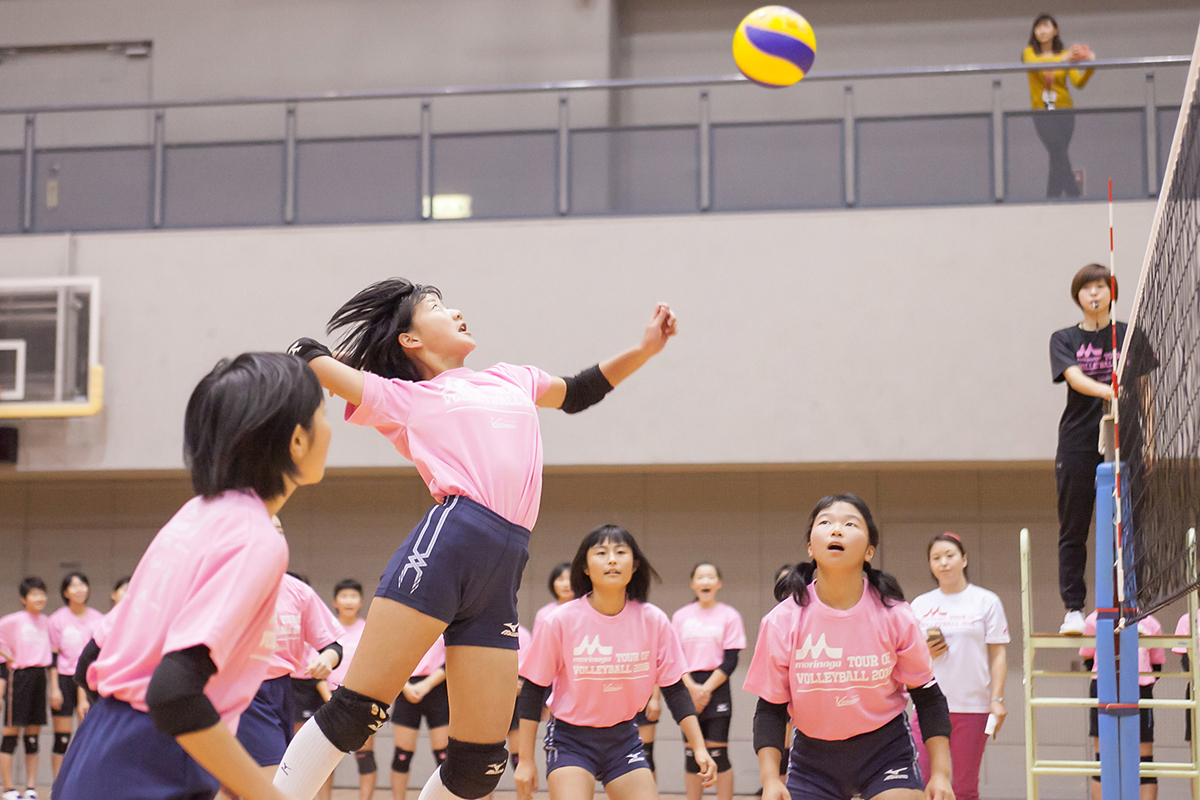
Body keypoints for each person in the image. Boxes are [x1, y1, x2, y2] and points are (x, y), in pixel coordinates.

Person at [276, 279, 678, 800]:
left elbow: (578, 391)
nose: (458, 311)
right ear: (410, 341)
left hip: (505, 562)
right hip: (450, 541)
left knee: (481, 765)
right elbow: (308, 357)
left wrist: (646, 349)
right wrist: (355, 353)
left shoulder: (512, 378)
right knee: (357, 711)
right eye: (437, 308)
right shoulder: (407, 396)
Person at [51, 351, 331, 800]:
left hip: (94, 753)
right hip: (148, 765)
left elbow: (92, 658)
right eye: (323, 414)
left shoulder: (194, 516)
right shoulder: (256, 537)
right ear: (297, 440)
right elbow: (173, 692)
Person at [744, 494, 953, 800]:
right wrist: (771, 778)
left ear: (869, 551)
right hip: (812, 760)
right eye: (825, 522)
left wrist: (941, 774)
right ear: (810, 547)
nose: (837, 530)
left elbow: (928, 696)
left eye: (850, 524)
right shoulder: (782, 620)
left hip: (885, 752)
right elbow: (770, 710)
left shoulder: (895, 615)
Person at [513, 524, 717, 800]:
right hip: (570, 740)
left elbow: (675, 689)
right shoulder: (560, 620)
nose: (611, 559)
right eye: (601, 553)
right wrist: (525, 761)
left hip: (624, 740)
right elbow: (533, 689)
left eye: (621, 552)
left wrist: (699, 747)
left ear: (634, 566)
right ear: (585, 567)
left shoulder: (653, 620)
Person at [225, 565, 345, 798]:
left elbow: (332, 645)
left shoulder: (298, 591)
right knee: (274, 778)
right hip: (245, 689)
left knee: (240, 782)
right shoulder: (229, 584)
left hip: (283, 689)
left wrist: (326, 659)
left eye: (279, 530)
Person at [1050, 264, 1123, 635]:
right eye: (1086, 289)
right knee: (1074, 527)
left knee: (1126, 524)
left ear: (1112, 292)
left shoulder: (1127, 334)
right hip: (1078, 441)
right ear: (1077, 296)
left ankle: (1127, 602)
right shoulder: (1063, 339)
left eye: (1101, 287)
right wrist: (1109, 390)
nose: (1094, 294)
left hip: (1124, 439)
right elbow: (1076, 379)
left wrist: (1151, 440)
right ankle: (1074, 610)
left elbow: (1145, 389)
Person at [909, 533, 1009, 800]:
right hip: (928, 706)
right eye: (936, 558)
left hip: (972, 707)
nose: (943, 563)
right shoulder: (920, 604)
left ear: (964, 559)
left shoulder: (986, 601)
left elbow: (998, 653)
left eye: (949, 555)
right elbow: (907, 657)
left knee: (963, 787)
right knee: (923, 783)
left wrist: (997, 699)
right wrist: (925, 651)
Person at [672, 563, 746, 800]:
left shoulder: (729, 615)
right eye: (700, 577)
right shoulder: (681, 616)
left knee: (717, 753)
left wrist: (705, 689)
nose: (705, 581)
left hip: (717, 686)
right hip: (687, 686)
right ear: (693, 583)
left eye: (710, 576)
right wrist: (692, 688)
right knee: (692, 755)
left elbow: (732, 658)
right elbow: (675, 657)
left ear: (718, 583)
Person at [1080, 611, 1164, 800]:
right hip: (1103, 688)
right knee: (1103, 759)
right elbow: (1088, 659)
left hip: (1139, 688)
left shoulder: (1150, 621)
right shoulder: (1093, 620)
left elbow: (1157, 666)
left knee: (1144, 761)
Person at [1022, 13, 1096, 198]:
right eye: (1038, 27)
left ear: (1055, 30)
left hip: (1065, 111)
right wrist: (1065, 59)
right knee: (1057, 151)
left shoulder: (1065, 55)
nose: (1042, 31)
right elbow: (1035, 64)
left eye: (1046, 26)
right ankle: (1072, 193)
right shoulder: (1029, 52)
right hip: (1042, 112)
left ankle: (1052, 198)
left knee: (1057, 155)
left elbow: (1078, 82)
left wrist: (1091, 65)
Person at [47, 572, 105, 780]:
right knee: (62, 738)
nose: (80, 589)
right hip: (64, 679)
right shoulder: (56, 619)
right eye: (74, 586)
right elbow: (52, 658)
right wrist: (54, 688)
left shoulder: (99, 619)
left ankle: (84, 784)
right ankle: (58, 786)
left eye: (83, 585)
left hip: (89, 681)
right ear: (65, 592)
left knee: (88, 736)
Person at [0, 577, 52, 800]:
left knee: (33, 734)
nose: (39, 598)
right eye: (34, 594)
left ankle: (30, 788)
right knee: (11, 734)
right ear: (23, 598)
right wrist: (7, 656)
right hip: (19, 677)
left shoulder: (47, 621)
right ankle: (9, 788)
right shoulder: (13, 620)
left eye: (42, 593)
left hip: (40, 676)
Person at [324, 578, 372, 800]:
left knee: (365, 755)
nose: (349, 601)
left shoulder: (368, 629)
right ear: (335, 601)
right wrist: (327, 697)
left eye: (354, 596)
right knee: (324, 757)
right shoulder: (326, 628)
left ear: (361, 601)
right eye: (344, 596)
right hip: (327, 698)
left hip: (358, 698)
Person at [390, 637, 448, 800]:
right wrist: (405, 686)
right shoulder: (401, 620)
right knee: (402, 755)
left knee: (444, 756)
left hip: (438, 686)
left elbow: (454, 656)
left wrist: (427, 685)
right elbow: (389, 656)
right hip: (405, 687)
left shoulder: (446, 618)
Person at [534, 564, 574, 636]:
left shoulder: (586, 610)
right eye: (560, 579)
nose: (566, 584)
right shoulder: (544, 613)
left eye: (570, 579)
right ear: (553, 583)